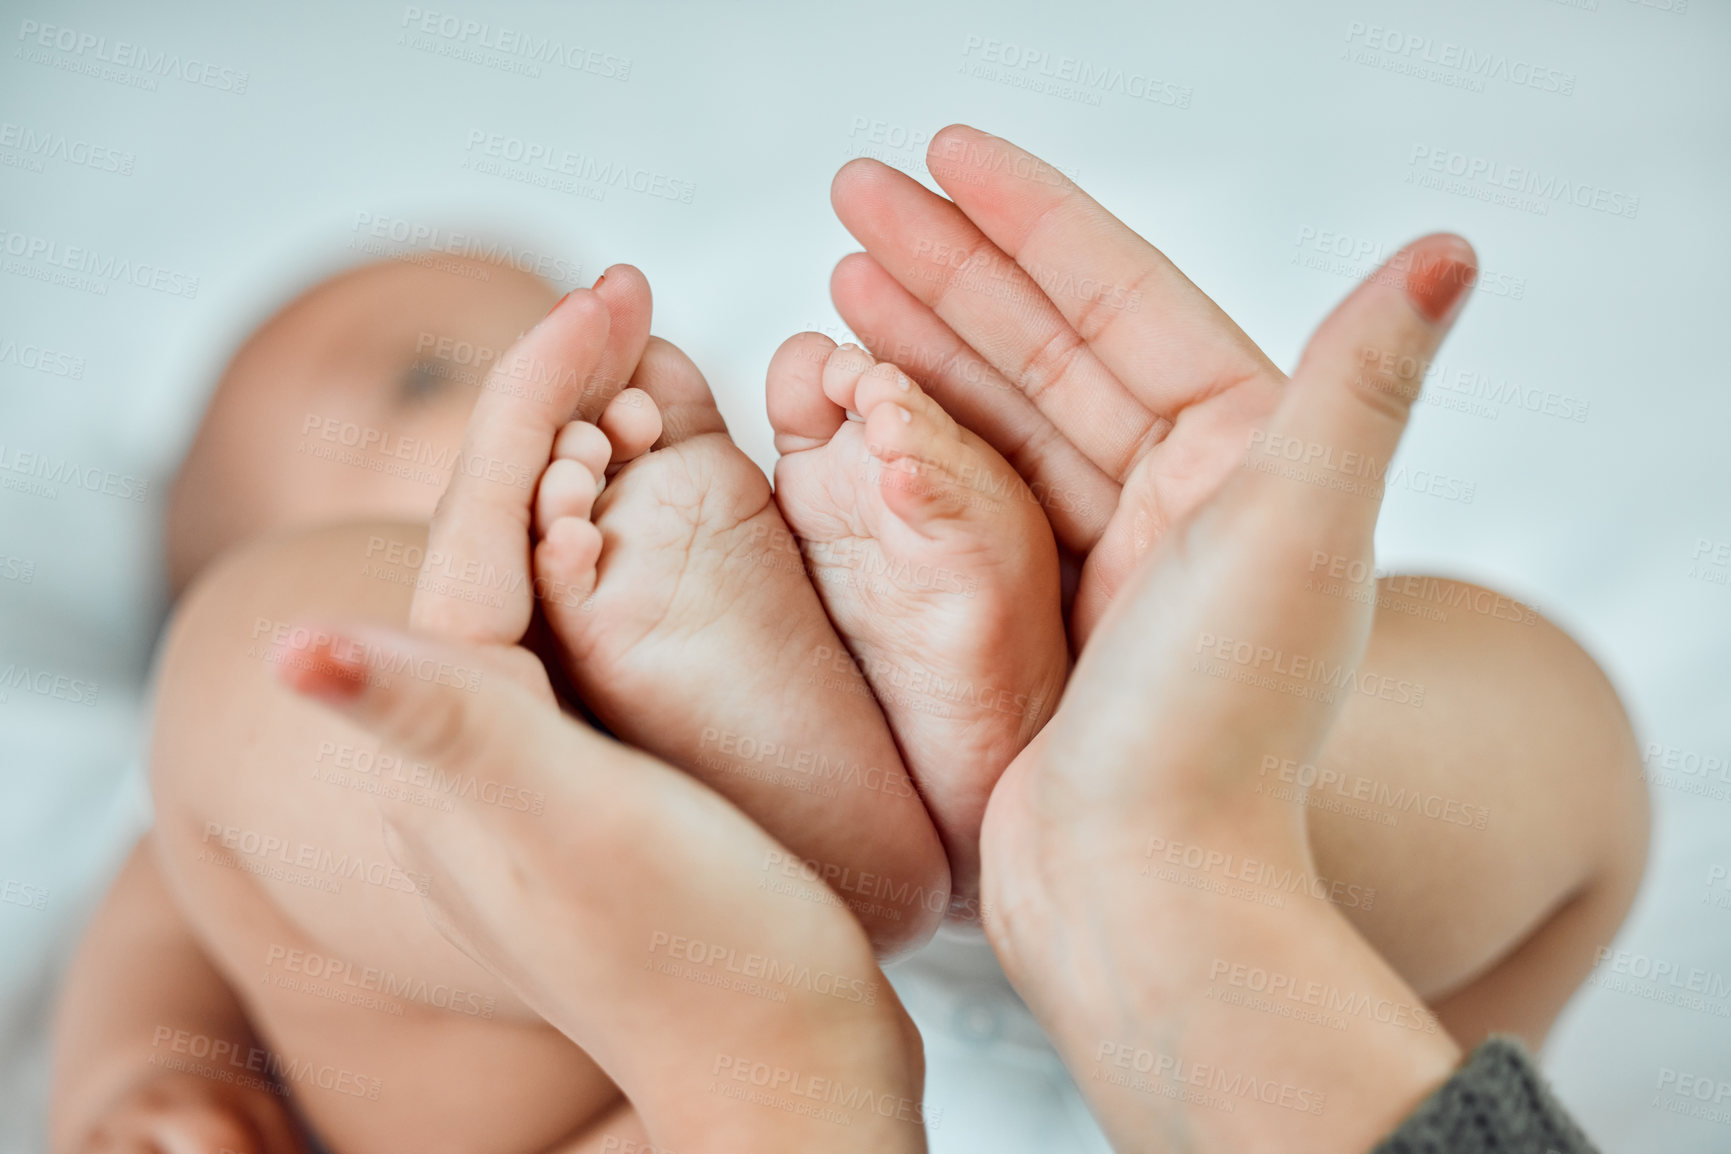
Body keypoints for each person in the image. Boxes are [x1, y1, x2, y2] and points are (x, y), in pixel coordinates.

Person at [50, 127, 1644, 1152]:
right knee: (261, 694)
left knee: (1536, 717)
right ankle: (1092, 814)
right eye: (416, 383)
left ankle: (1109, 793)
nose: (558, 391)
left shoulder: (780, 525)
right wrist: (148, 1078)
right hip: (683, 1076)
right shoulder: (225, 745)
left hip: (1024, 1035)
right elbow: (157, 934)